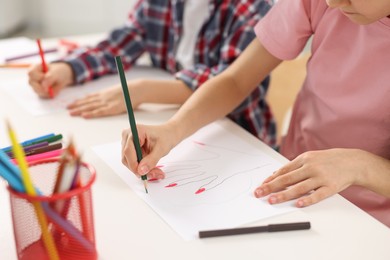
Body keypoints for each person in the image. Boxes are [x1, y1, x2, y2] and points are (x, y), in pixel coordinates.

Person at [121, 0, 390, 227]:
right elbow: (236, 80)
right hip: (286, 181)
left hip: (369, 220)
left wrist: (359, 166)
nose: (332, 2)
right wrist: (172, 129)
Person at [27, 0, 277, 148]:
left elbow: (234, 82)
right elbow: (125, 40)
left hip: (236, 135)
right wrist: (69, 69)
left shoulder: (253, 7)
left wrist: (145, 90)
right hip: (171, 123)